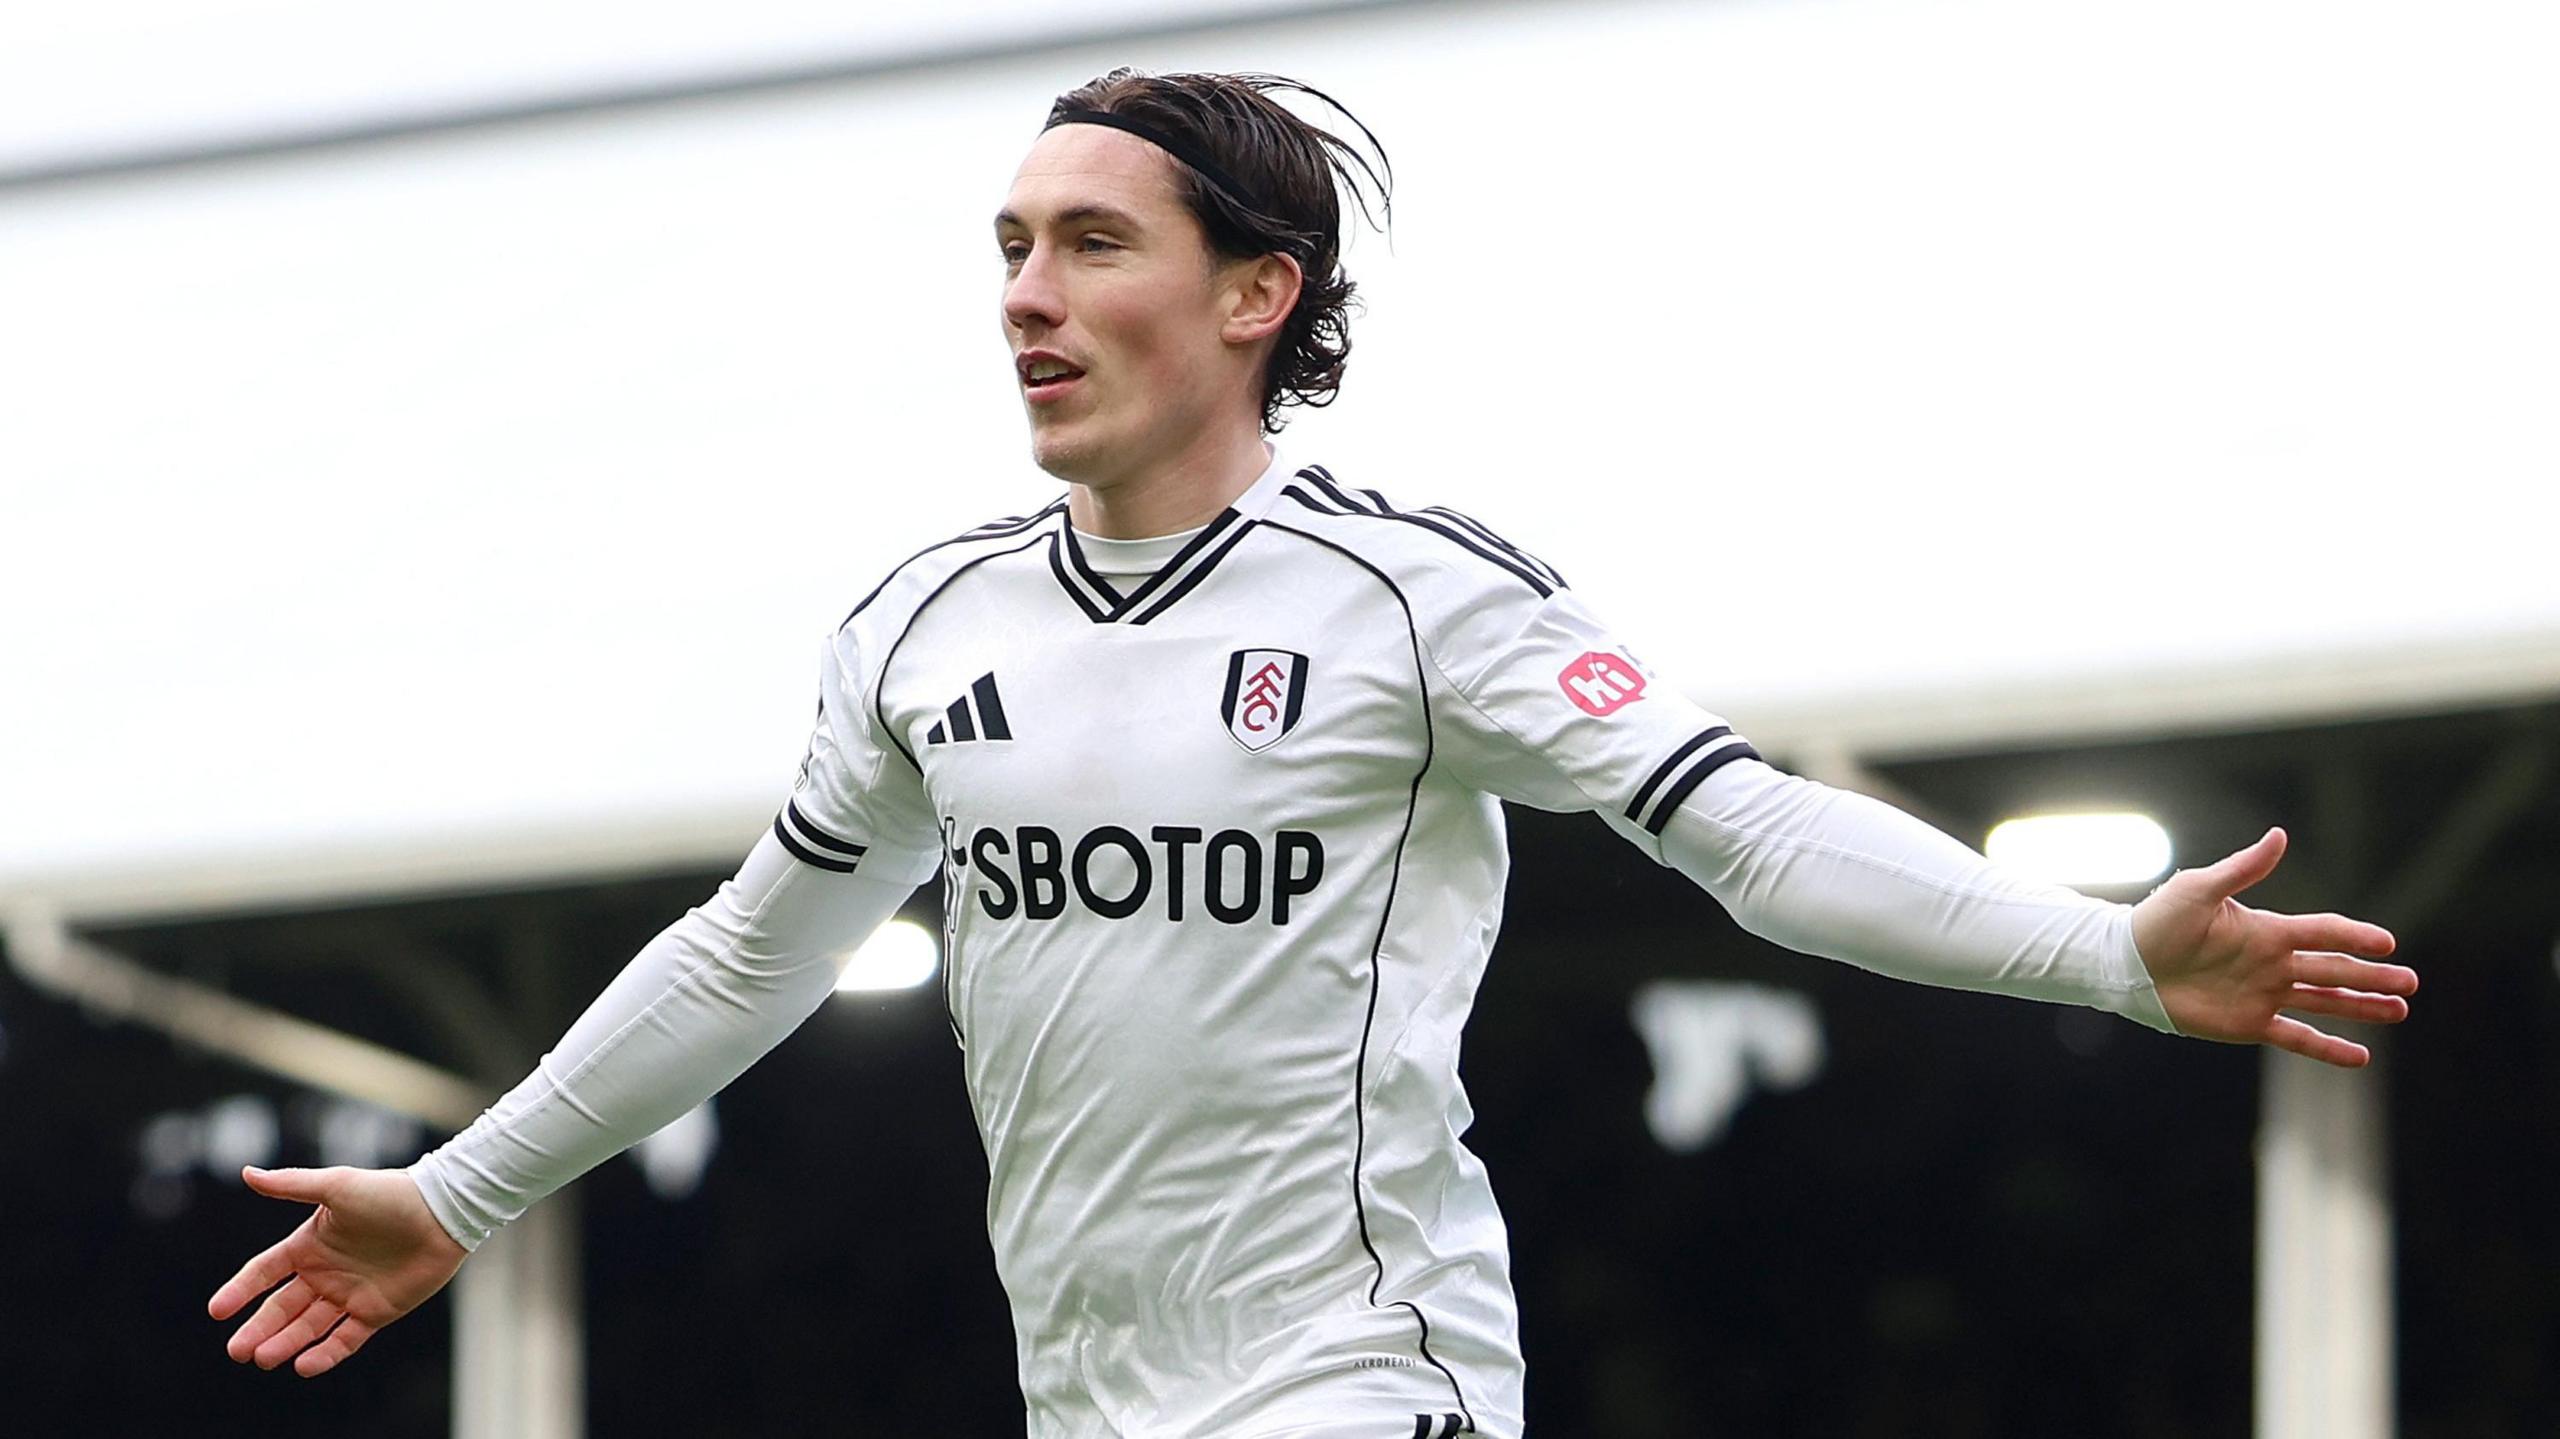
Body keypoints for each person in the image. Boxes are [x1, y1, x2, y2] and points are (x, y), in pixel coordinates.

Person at [208, 69, 2417, 1438]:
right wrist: (460, 1190)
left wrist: (2103, 957)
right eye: (1005, 251)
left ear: (1257, 293)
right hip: (1090, 1401)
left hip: (1367, 1378)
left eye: (1089, 245)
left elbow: (1737, 834)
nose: (1024, 298)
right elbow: (746, 956)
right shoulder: (921, 626)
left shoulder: (1414, 598)